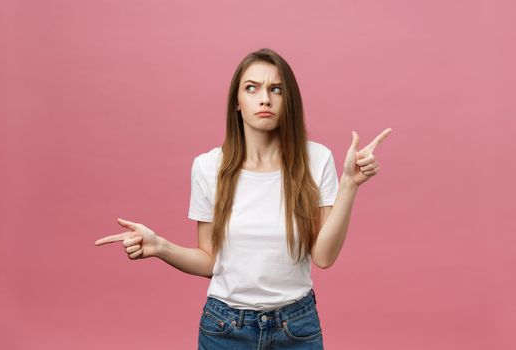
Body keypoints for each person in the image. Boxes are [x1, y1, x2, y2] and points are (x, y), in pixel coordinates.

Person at [95, 48, 392, 349]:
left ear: (288, 100)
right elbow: (210, 260)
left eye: (276, 89)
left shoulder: (316, 159)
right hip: (225, 328)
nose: (265, 98)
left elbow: (324, 257)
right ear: (237, 102)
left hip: (297, 327)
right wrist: (161, 247)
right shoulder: (209, 167)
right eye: (252, 88)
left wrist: (350, 185)